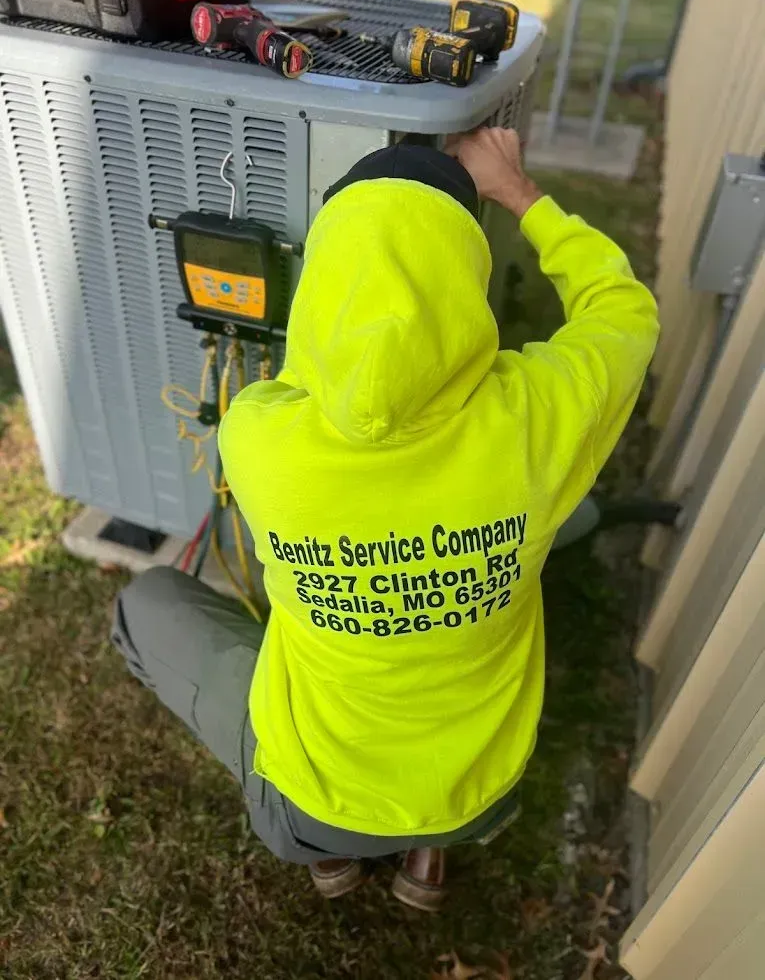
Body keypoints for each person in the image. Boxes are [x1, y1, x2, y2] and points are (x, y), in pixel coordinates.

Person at [112, 128, 659, 912]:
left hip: (310, 807)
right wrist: (519, 194)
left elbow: (311, 373)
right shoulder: (541, 419)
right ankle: (429, 853)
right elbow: (624, 312)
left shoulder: (259, 436)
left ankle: (329, 857)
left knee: (147, 604)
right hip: (479, 791)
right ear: (462, 272)